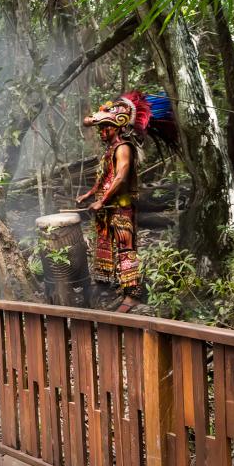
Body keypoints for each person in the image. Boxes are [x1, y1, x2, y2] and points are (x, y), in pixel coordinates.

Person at [76, 93, 149, 312]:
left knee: (125, 248)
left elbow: (120, 177)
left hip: (121, 207)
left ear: (116, 127)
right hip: (105, 207)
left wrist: (102, 201)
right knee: (104, 246)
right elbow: (104, 178)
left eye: (105, 127)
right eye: (101, 128)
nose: (101, 132)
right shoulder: (110, 149)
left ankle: (132, 294)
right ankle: (103, 285)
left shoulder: (123, 147)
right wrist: (90, 195)